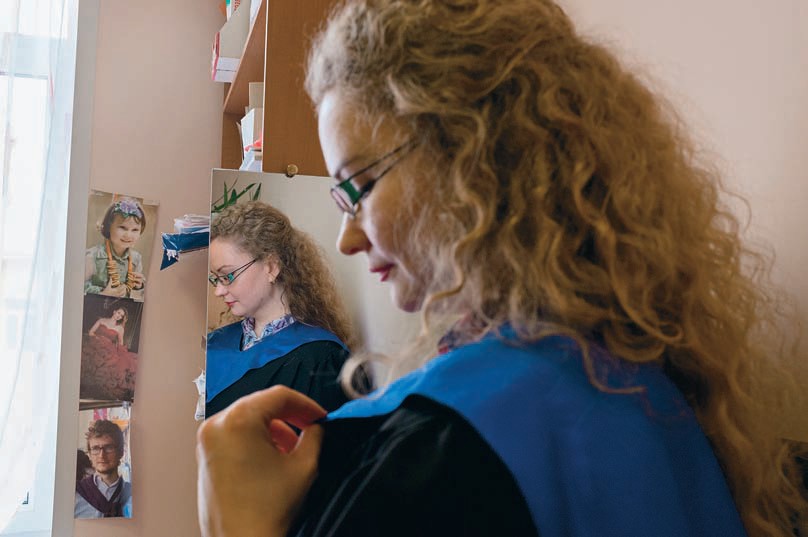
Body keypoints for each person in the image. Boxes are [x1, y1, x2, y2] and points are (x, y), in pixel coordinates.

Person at [196, 1, 808, 536]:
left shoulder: (442, 451)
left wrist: (239, 525)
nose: (348, 237)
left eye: (359, 186)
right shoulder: (651, 389)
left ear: (471, 159)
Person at [205, 201, 356, 418]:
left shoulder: (320, 359)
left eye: (227, 276)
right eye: (215, 279)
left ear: (271, 266)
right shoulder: (215, 344)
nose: (218, 291)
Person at [84, 197, 147, 300]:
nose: (128, 235)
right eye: (123, 227)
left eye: (135, 230)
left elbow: (136, 298)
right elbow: (79, 287)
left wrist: (138, 287)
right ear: (108, 227)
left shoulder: (136, 259)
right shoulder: (93, 256)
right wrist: (102, 293)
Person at [75, 419, 132, 518]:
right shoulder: (75, 495)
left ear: (121, 452)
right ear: (89, 455)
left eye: (109, 448)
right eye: (95, 448)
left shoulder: (132, 495)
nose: (102, 455)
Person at [80, 307, 138, 401]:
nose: (119, 316)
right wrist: (99, 339)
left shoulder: (120, 328)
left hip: (108, 349)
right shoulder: (101, 320)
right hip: (95, 343)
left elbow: (120, 343)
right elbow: (91, 332)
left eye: (121, 316)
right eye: (118, 313)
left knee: (111, 364)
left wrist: (119, 353)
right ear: (114, 311)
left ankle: (96, 391)